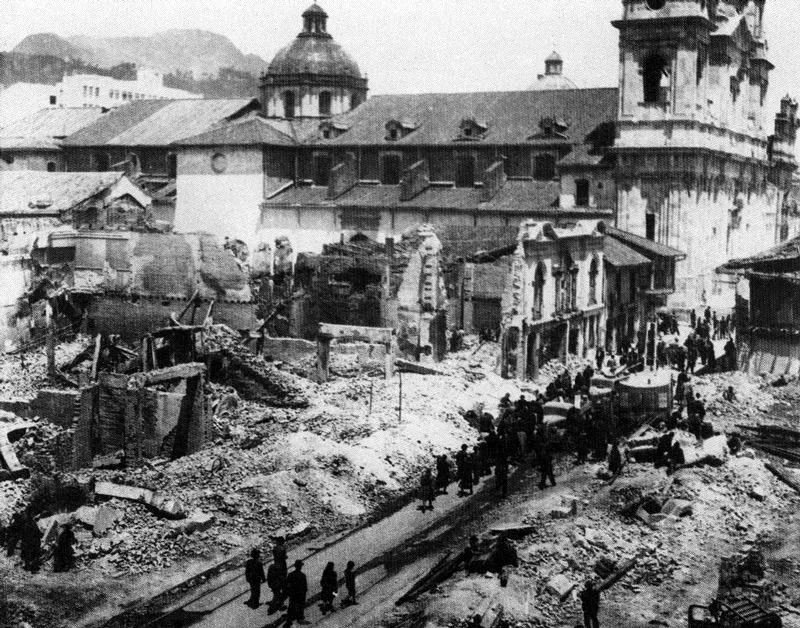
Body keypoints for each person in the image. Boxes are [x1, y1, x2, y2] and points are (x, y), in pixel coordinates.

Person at [285, 560, 308, 626]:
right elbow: (305, 588)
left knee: (291, 607)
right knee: (300, 606)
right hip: (300, 595)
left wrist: (289, 592)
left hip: (293, 594)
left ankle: (289, 620)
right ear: (300, 567)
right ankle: (299, 618)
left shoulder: (291, 575)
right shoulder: (303, 576)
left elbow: (286, 584)